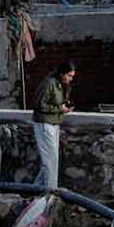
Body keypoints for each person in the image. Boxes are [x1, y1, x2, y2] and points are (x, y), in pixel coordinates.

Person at [32, 60, 75, 189]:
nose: (70, 79)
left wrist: (63, 107)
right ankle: (50, 192)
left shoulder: (60, 85)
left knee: (52, 159)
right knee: (50, 160)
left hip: (55, 122)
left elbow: (56, 102)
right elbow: (39, 104)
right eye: (69, 75)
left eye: (72, 76)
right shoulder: (49, 83)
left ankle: (36, 188)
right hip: (44, 123)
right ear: (62, 73)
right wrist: (59, 109)